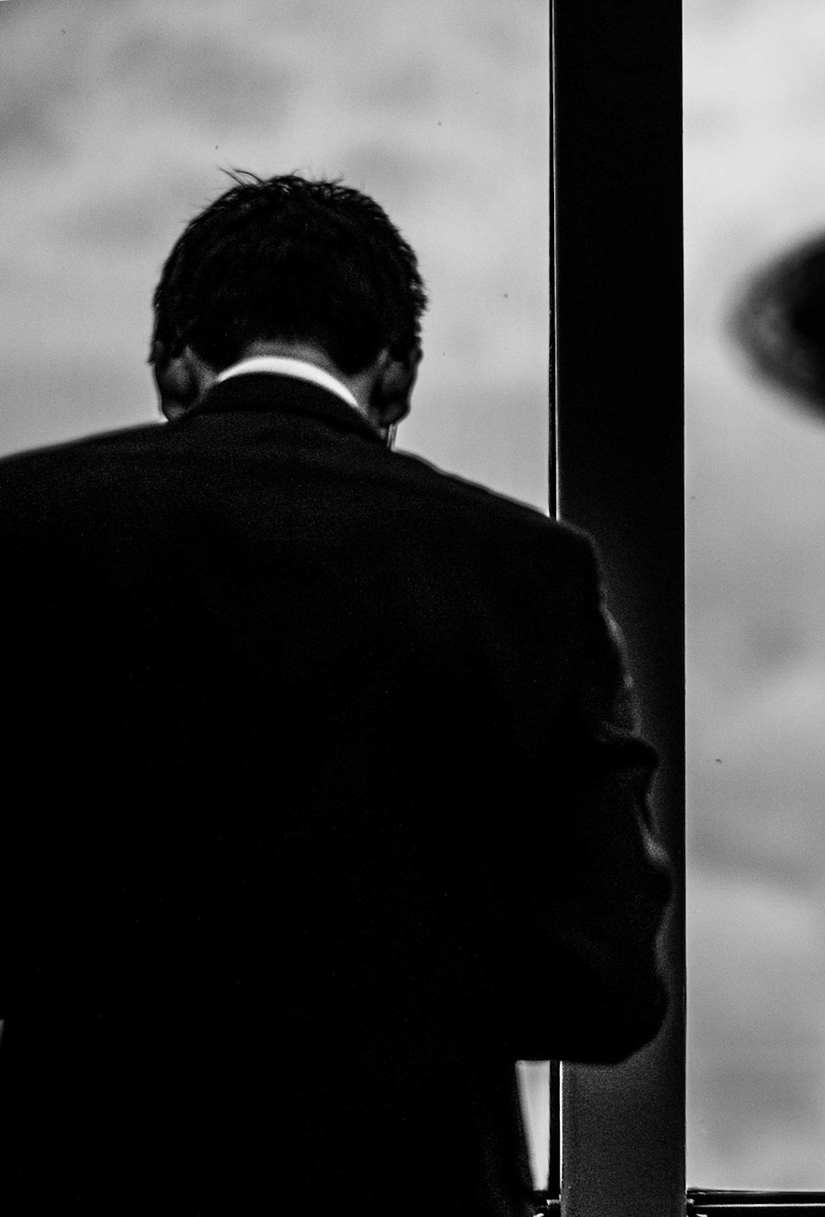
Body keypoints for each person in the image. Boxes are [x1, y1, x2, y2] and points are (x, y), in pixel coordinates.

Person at [0, 173, 672, 1215]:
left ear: (176, 367)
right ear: (396, 378)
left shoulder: (21, 533)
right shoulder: (529, 573)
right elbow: (606, 986)